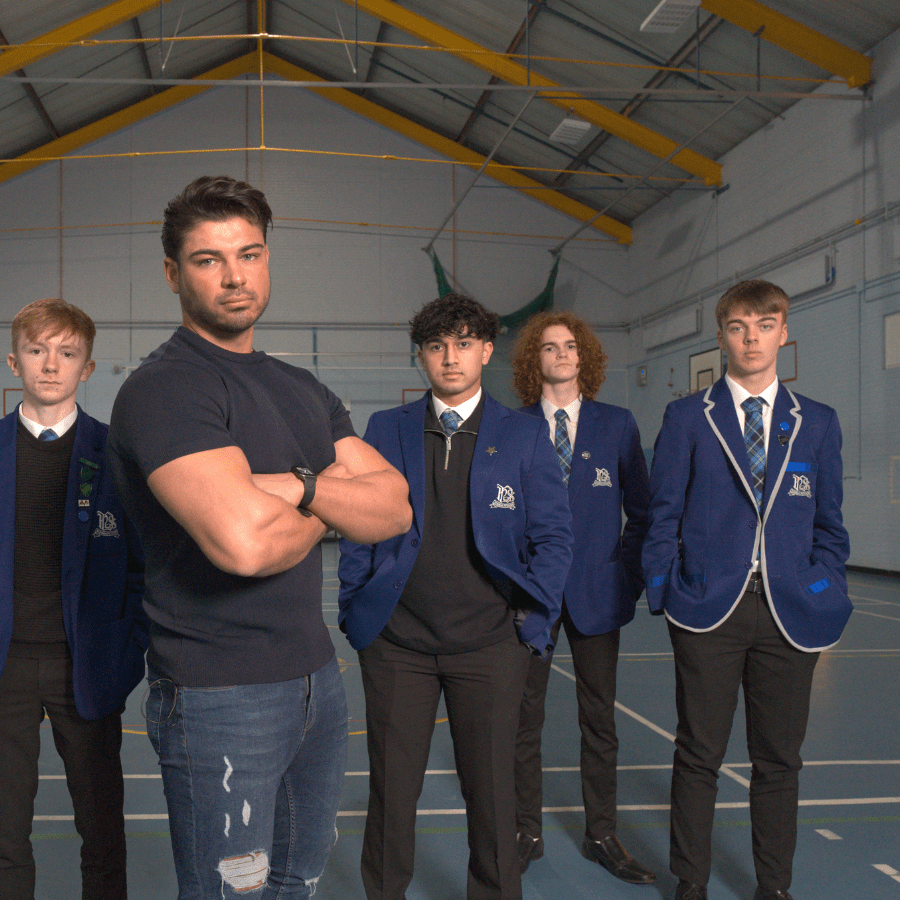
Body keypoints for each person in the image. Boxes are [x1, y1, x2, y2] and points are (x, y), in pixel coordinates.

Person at [107, 175, 412, 899]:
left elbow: (397, 505)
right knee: (230, 894)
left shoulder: (302, 389)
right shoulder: (166, 389)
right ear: (173, 273)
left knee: (297, 879)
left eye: (250, 253)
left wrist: (297, 487)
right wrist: (333, 500)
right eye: (209, 259)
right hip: (221, 696)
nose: (235, 275)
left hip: (317, 685)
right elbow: (244, 545)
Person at [338, 293, 572, 900]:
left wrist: (532, 618)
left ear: (487, 351)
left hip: (491, 645)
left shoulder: (523, 434)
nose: (451, 357)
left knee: (493, 795)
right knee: (392, 791)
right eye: (437, 345)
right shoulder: (385, 428)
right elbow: (360, 524)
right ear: (421, 356)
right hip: (398, 645)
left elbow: (553, 535)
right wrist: (357, 604)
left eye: (464, 343)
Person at [0, 299, 148, 900]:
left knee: (102, 827)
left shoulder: (114, 454)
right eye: (37, 350)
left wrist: (124, 650)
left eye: (67, 353)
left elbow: (138, 568)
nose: (51, 364)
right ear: (13, 360)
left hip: (87, 664)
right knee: (5, 831)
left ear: (87, 367)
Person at [643, 280, 851, 900]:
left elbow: (831, 526)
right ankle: (691, 880)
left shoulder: (817, 422)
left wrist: (824, 588)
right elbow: (662, 517)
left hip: (791, 614)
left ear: (784, 333)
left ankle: (774, 886)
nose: (752, 337)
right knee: (699, 755)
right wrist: (667, 594)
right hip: (708, 611)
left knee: (779, 762)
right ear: (721, 337)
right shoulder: (687, 417)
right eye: (738, 326)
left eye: (765, 324)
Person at [509, 312, 653, 883]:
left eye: (571, 346)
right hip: (532, 598)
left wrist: (625, 576)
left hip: (598, 596)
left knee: (600, 722)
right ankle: (526, 831)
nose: (562, 354)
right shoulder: (514, 427)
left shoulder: (617, 425)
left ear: (584, 356)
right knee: (524, 720)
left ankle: (602, 834)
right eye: (549, 347)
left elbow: (643, 513)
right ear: (533, 361)